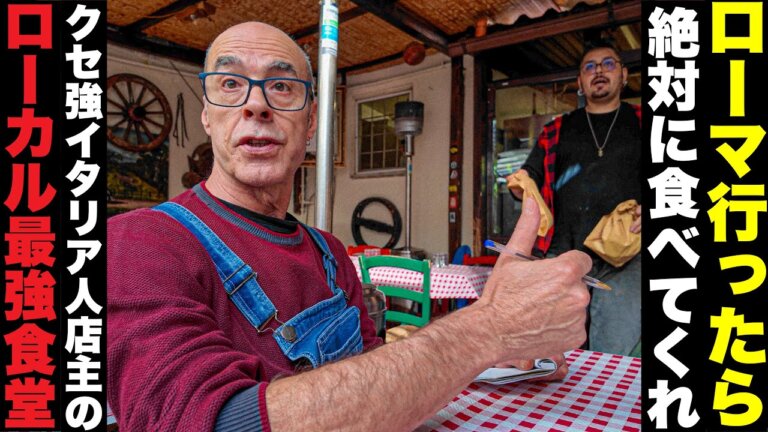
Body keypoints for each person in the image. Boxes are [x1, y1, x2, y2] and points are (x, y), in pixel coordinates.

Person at [107, 22, 592, 431]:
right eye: (230, 85)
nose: (256, 105)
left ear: (312, 119)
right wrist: (486, 331)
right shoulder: (141, 242)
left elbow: (373, 373)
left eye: (282, 86)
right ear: (207, 115)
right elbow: (201, 422)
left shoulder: (330, 252)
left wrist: (481, 362)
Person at [509, 40, 642, 356]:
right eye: (590, 67)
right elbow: (530, 175)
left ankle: (607, 406)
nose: (599, 71)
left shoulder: (645, 122)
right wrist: (520, 184)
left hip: (627, 257)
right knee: (554, 351)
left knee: (613, 351)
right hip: (563, 255)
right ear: (580, 82)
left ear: (623, 75)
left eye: (608, 64)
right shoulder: (557, 129)